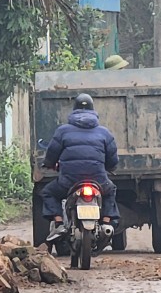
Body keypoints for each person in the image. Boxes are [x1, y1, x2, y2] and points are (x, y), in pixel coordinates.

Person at [41, 93, 119, 238]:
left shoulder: (62, 131)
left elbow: (52, 153)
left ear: (74, 109)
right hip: (98, 180)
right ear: (93, 110)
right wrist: (110, 167)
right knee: (111, 190)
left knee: (48, 192)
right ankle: (107, 222)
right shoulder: (104, 133)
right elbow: (113, 160)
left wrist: (48, 164)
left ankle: (58, 223)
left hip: (69, 181)